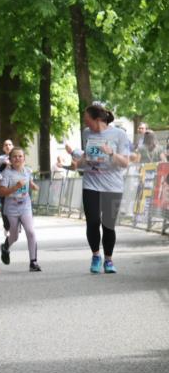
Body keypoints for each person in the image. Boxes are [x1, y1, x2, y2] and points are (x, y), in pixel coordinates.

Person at [65, 102, 133, 274]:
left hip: (113, 186)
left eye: (86, 118)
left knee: (108, 225)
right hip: (91, 184)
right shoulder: (87, 133)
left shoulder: (119, 134)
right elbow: (87, 156)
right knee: (93, 222)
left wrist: (111, 153)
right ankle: (96, 255)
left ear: (97, 119)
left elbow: (125, 162)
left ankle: (108, 260)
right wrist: (76, 164)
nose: (84, 122)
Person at [0, 147, 41, 271]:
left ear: (24, 158)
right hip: (11, 206)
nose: (17, 158)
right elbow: (1, 192)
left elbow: (29, 182)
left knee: (31, 232)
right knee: (15, 235)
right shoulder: (6, 173)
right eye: (14, 156)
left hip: (25, 205)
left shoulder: (27, 171)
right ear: (10, 159)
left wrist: (33, 186)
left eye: (20, 156)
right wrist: (15, 187)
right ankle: (5, 247)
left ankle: (33, 262)